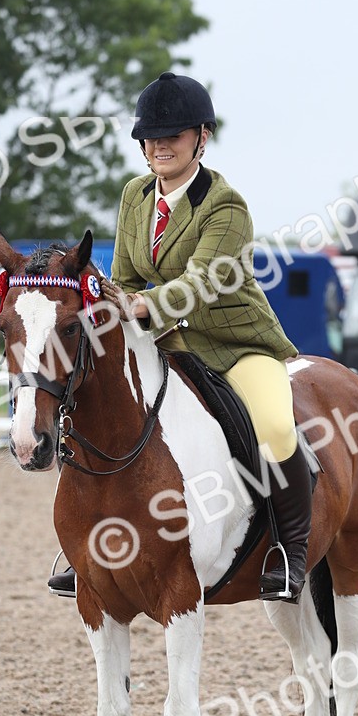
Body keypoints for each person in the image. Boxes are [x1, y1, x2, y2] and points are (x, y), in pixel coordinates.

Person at [48, 72, 312, 603]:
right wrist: (106, 306)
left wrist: (141, 305)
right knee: (102, 406)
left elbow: (200, 284)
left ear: (201, 137)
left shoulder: (226, 205)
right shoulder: (134, 197)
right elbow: (122, 275)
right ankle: (87, 549)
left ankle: (290, 550)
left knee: (278, 428)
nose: (162, 144)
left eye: (175, 134)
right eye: (153, 136)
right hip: (168, 339)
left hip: (235, 343)